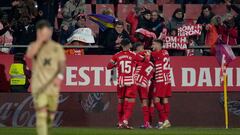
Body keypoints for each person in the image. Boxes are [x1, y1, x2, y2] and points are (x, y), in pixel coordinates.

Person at [26, 20, 66, 135]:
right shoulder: (34, 45)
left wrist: (59, 77)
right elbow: (30, 54)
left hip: (53, 85)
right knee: (41, 113)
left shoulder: (57, 47)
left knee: (51, 112)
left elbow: (62, 64)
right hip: (39, 84)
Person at [107, 38, 145, 129]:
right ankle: (125, 120)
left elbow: (108, 66)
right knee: (130, 102)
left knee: (121, 102)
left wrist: (116, 64)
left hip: (121, 81)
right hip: (130, 81)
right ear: (129, 45)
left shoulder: (117, 55)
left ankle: (120, 122)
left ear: (121, 45)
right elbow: (144, 60)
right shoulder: (133, 55)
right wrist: (144, 54)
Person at [151, 39, 172, 129]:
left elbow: (151, 55)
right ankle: (161, 122)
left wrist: (147, 52)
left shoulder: (157, 54)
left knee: (156, 100)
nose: (152, 46)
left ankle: (166, 120)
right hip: (167, 78)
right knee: (164, 100)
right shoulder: (166, 52)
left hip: (161, 79)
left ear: (159, 45)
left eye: (154, 44)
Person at [133, 42, 154, 129]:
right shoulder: (151, 64)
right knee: (145, 102)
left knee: (128, 99)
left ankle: (123, 121)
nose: (142, 48)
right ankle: (147, 123)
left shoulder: (139, 57)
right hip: (145, 83)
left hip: (136, 80)